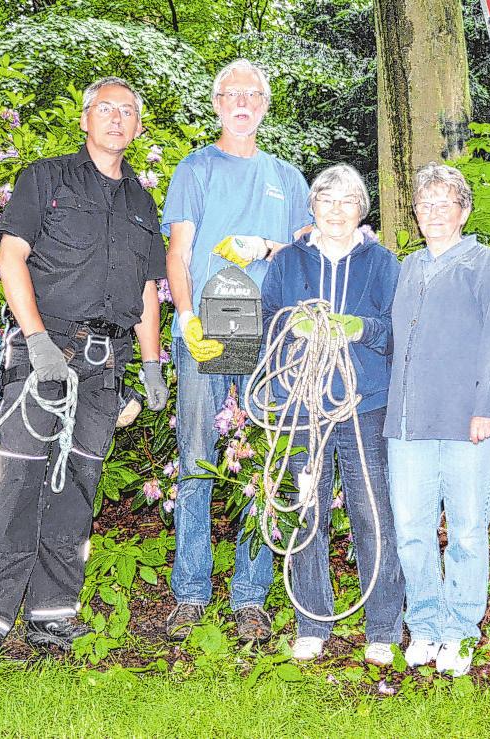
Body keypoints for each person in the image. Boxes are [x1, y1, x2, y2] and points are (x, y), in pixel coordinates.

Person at [0, 77, 169, 662]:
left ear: (137, 126)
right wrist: (36, 340)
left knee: (76, 488)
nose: (117, 118)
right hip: (40, 358)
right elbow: (11, 257)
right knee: (20, 482)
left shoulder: (141, 203)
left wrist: (152, 365)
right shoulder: (45, 178)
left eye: (129, 111)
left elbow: (148, 291)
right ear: (85, 118)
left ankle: (52, 614)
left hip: (106, 368)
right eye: (107, 108)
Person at [162, 59, 311, 643]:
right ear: (217, 102)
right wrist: (186, 315)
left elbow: (306, 253)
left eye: (253, 94)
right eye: (231, 94)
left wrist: (269, 245)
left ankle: (250, 598)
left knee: (260, 466)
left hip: (265, 336)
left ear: (265, 105)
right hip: (207, 330)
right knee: (197, 459)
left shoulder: (289, 178)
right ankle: (191, 593)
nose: (242, 102)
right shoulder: (194, 169)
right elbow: (178, 253)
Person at [259, 164, 404, 666]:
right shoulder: (287, 262)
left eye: (348, 201)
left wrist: (360, 329)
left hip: (366, 405)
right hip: (302, 405)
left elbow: (397, 329)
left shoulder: (383, 262)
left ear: (362, 210)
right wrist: (290, 325)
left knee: (372, 514)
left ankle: (383, 626)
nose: (337, 210)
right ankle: (312, 621)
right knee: (306, 512)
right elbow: (267, 322)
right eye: (327, 199)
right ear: (312, 207)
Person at [384, 163, 490, 677]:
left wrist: (486, 407)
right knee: (412, 530)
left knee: (465, 532)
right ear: (415, 214)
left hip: (469, 425)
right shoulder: (408, 267)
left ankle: (460, 631)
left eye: (445, 203)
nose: (434, 212)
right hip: (410, 425)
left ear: (463, 210)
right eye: (425, 204)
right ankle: (426, 626)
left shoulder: (485, 264)